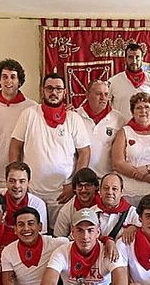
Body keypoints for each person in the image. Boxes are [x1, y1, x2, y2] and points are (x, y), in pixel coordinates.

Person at [9, 73, 91, 224]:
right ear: (42, 91)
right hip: (32, 190)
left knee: (60, 234)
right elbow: (15, 145)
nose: (54, 92)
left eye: (58, 89)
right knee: (32, 232)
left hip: (62, 193)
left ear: (64, 92)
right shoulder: (29, 114)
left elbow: (84, 152)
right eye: (49, 88)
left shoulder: (73, 118)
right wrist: (19, 180)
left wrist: (74, 184)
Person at [111, 92, 150, 205]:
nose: (143, 111)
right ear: (132, 111)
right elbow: (117, 164)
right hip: (130, 194)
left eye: (147, 107)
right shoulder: (124, 132)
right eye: (138, 108)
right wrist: (145, 177)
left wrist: (148, 168)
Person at [0, 58, 38, 189]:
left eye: (13, 77)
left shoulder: (32, 107)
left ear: (19, 81)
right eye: (4, 77)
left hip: (21, 178)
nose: (8, 81)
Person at [0, 162, 48, 243]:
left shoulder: (38, 204)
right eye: (12, 181)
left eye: (22, 181)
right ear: (6, 181)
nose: (16, 185)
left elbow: (40, 235)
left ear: (28, 182)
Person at [77, 79, 125, 177]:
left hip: (107, 178)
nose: (103, 98)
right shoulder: (76, 116)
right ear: (87, 95)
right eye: (99, 94)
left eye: (106, 94)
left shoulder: (118, 119)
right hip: (82, 178)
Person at [107, 43, 150, 119]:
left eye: (137, 57)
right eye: (130, 57)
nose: (134, 61)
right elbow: (104, 105)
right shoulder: (113, 81)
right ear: (125, 59)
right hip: (120, 125)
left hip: (146, 126)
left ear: (142, 58)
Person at [91, 172, 141, 240]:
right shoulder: (91, 212)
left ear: (121, 192)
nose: (109, 192)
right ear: (100, 190)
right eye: (106, 188)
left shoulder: (133, 213)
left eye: (114, 189)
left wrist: (136, 227)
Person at [52, 168, 100, 237]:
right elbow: (58, 238)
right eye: (80, 186)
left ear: (96, 187)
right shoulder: (65, 211)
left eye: (88, 185)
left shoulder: (105, 202)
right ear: (74, 189)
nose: (83, 190)